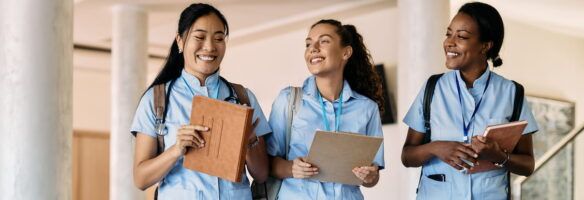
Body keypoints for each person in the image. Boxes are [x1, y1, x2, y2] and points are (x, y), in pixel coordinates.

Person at [130, 3, 271, 199]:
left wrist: (249, 141)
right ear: (180, 41)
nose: (210, 47)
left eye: (219, 38)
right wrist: (175, 150)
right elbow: (141, 179)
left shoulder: (243, 97)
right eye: (199, 37)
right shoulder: (156, 100)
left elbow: (262, 174)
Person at [401, 2, 539, 200]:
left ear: (485, 45)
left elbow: (527, 165)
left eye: (462, 36)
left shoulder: (512, 92)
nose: (449, 42)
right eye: (448, 34)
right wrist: (435, 147)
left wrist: (499, 156)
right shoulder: (433, 87)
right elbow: (407, 156)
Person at [265, 19, 385, 199]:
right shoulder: (289, 100)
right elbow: (267, 164)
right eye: (308, 44)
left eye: (324, 41)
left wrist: (369, 175)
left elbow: (373, 177)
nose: (313, 48)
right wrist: (292, 168)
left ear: (346, 52)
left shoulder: (367, 109)